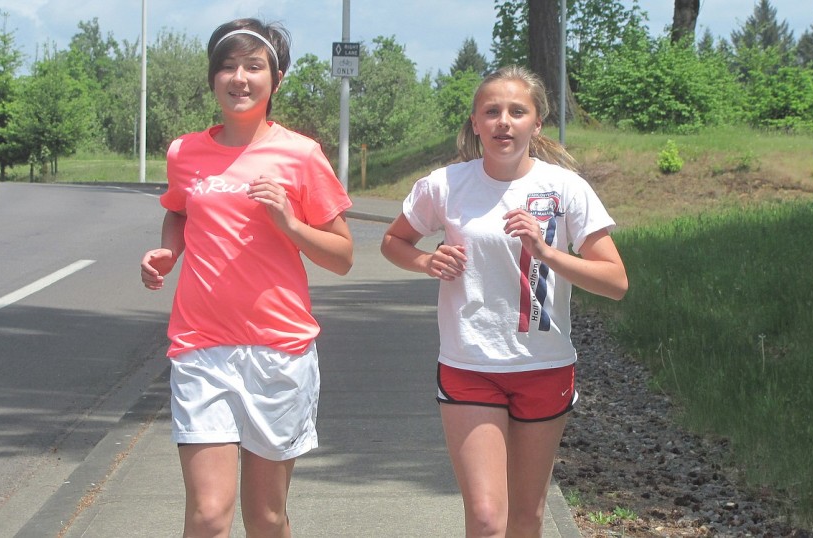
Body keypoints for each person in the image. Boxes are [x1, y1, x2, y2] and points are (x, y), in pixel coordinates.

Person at [380, 65, 628, 537]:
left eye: (517, 112)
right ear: (475, 123)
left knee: (526, 516)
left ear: (536, 124)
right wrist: (425, 262)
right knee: (488, 517)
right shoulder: (445, 185)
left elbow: (615, 282)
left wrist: (548, 253)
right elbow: (394, 242)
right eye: (491, 112)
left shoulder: (565, 188)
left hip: (545, 366)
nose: (503, 122)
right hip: (469, 364)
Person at [140, 18, 353, 538]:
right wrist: (169, 252)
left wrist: (290, 223)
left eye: (253, 67)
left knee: (266, 518)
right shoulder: (184, 152)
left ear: (276, 80)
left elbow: (343, 255)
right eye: (228, 67)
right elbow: (180, 212)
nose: (240, 77)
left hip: (279, 350)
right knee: (209, 515)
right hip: (200, 346)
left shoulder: (300, 154)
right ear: (213, 79)